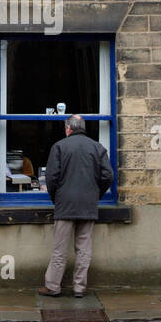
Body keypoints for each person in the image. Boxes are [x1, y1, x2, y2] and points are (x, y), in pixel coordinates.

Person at [38, 114, 113, 298]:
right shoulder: (97, 147)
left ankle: (53, 286)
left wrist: (57, 197)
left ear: (68, 128)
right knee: (84, 247)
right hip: (88, 204)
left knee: (60, 248)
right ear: (83, 128)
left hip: (65, 204)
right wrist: (96, 194)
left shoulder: (59, 147)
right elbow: (108, 176)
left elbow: (51, 177)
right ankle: (79, 287)